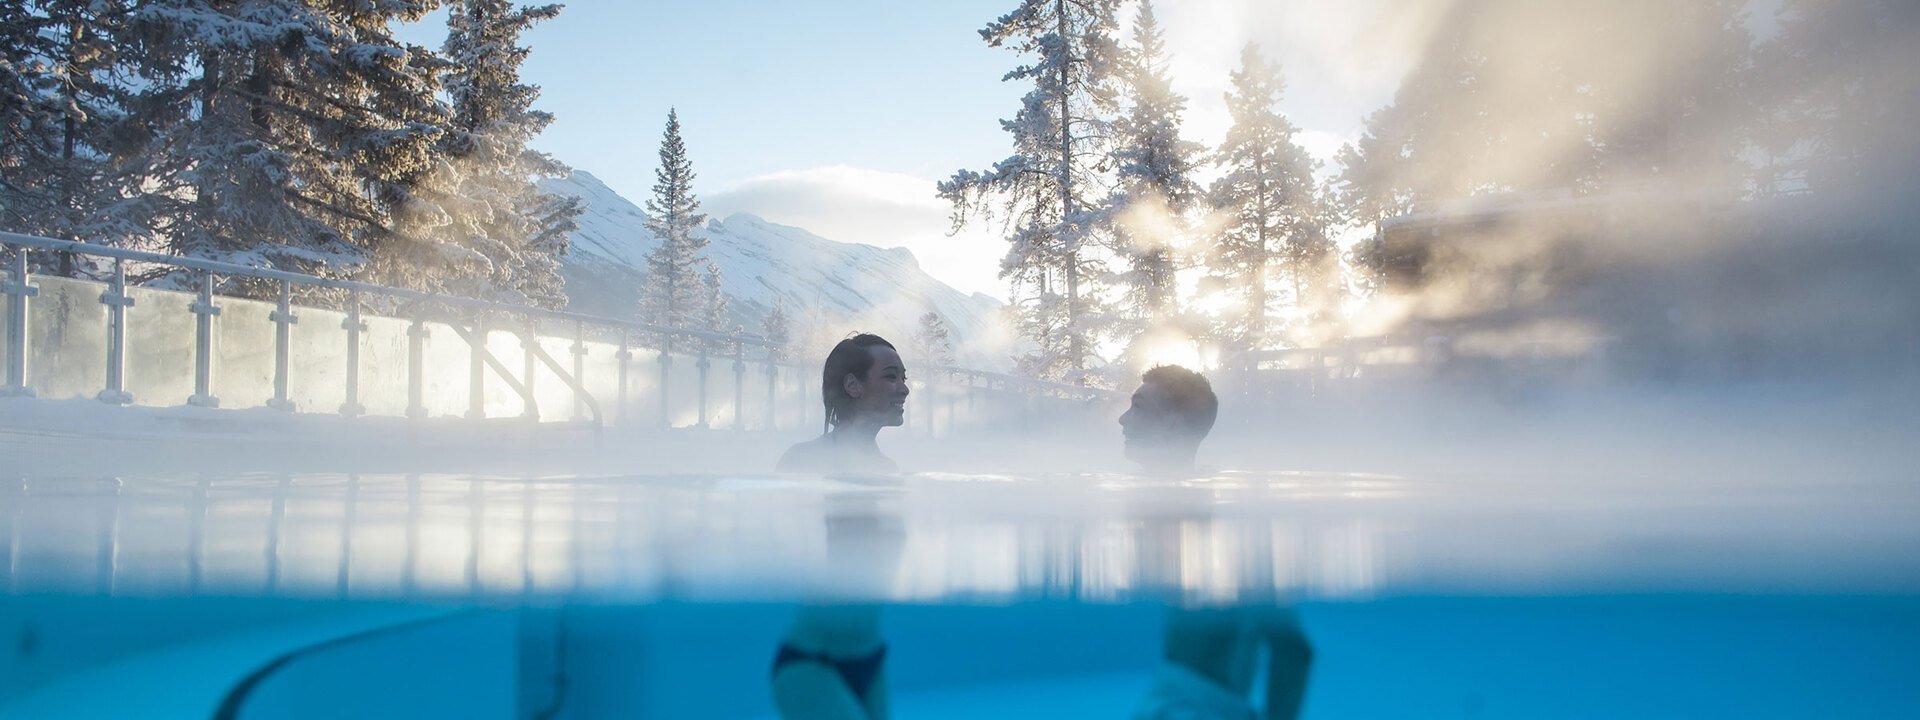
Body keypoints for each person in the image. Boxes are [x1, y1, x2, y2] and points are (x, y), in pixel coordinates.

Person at [1121, 365, 1313, 720]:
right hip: (1172, 699)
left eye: (1137, 406)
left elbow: (1292, 649)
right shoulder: (1153, 506)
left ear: (1172, 423)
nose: (1122, 420)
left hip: (1197, 706)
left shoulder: (1217, 520)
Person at [778, 334, 910, 475]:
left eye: (903, 379)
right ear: (852, 385)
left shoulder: (888, 469)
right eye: (890, 376)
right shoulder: (801, 461)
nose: (905, 390)